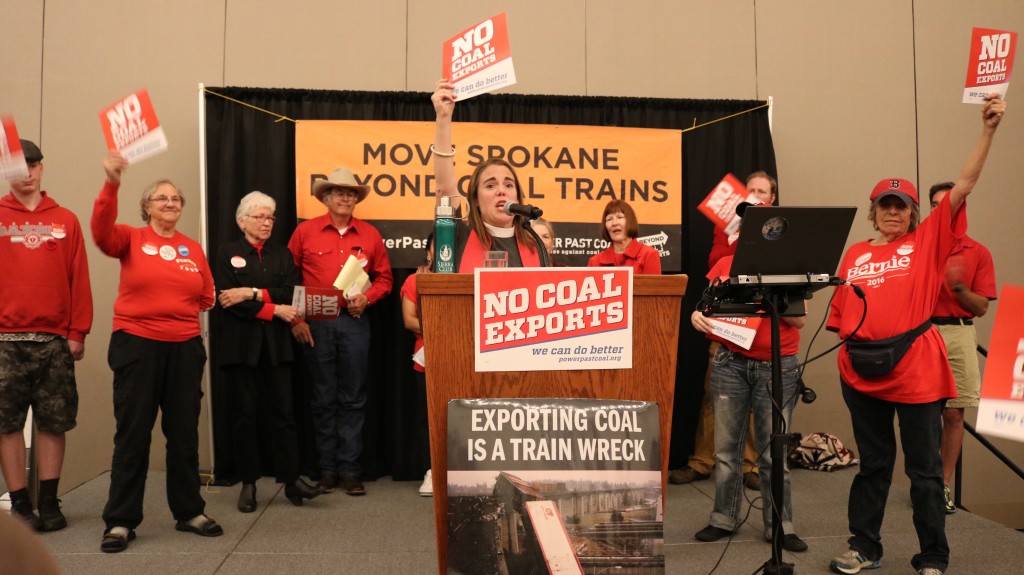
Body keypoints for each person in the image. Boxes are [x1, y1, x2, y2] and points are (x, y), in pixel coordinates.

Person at [827, 95, 1005, 575]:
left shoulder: (927, 243)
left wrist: (987, 130)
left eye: (900, 205)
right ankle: (865, 547)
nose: (892, 212)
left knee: (924, 471)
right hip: (861, 372)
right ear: (873, 211)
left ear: (912, 212)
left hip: (916, 371)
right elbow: (841, 317)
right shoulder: (855, 255)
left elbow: (964, 184)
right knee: (873, 466)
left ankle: (932, 556)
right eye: (884, 205)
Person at [92, 152, 222, 553]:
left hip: (184, 348)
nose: (170, 204)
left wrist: (176, 313)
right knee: (133, 434)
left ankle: (188, 512)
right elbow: (99, 231)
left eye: (176, 199)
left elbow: (207, 295)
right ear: (146, 206)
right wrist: (112, 182)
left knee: (183, 435)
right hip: (137, 345)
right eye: (161, 198)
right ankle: (120, 521)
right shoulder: (131, 238)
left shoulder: (192, 248)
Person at [0, 139, 92, 532]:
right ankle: (21, 504)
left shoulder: (66, 219)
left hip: (55, 340)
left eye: (32, 165)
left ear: (41, 168)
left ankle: (50, 502)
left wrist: (78, 331)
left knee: (54, 422)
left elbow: (79, 277)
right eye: (17, 168)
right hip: (4, 339)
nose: (26, 174)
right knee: (6, 424)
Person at [691, 254, 808, 553]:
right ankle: (723, 519)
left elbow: (800, 320)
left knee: (773, 452)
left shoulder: (787, 267)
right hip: (730, 361)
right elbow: (705, 309)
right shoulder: (725, 264)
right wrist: (697, 316)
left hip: (777, 365)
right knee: (727, 450)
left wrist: (767, 292)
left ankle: (781, 524)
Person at [213, 192, 320, 512]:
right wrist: (274, 310)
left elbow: (292, 291)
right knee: (245, 416)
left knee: (284, 415)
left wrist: (253, 291)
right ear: (242, 220)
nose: (266, 223)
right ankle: (248, 483)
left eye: (270, 218)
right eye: (260, 217)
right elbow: (228, 301)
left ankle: (291, 481)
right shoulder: (226, 252)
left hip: (276, 347)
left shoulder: (282, 255)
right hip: (240, 346)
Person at [288, 167, 393, 496]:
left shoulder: (370, 235)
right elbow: (287, 280)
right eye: (338, 192)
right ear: (325, 198)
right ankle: (327, 470)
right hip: (316, 321)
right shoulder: (305, 232)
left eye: (351, 193)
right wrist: (296, 320)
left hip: (354, 322)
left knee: (352, 397)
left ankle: (350, 470)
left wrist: (368, 297)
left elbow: (385, 279)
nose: (346, 197)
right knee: (323, 398)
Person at [671, 172, 777, 490]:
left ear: (772, 199)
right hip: (726, 327)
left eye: (763, 192)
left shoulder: (779, 229)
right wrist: (735, 239)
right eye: (752, 190)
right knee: (712, 397)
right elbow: (716, 266)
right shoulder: (726, 225)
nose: (756, 195)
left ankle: (750, 466)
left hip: (762, 333)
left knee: (758, 403)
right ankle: (703, 461)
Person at [927, 182, 997, 514]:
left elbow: (981, 306)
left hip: (958, 331)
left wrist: (958, 287)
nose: (944, 209)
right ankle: (922, 481)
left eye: (950, 203)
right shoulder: (919, 245)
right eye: (935, 205)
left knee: (954, 413)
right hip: (921, 332)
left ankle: (942, 484)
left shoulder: (978, 252)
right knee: (920, 415)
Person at [431, 79, 542, 270]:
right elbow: (444, 189)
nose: (501, 191)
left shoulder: (535, 246)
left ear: (517, 196)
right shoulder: (459, 235)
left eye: (508, 185)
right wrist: (443, 118)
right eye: (490, 185)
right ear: (474, 200)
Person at [400, 234, 433, 496]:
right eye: (437, 248)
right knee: (427, 417)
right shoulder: (415, 280)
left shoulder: (469, 274)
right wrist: (444, 333)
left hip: (465, 355)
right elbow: (410, 321)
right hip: (427, 355)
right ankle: (430, 471)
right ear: (429, 253)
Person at [587, 199, 662, 273]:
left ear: (630, 221)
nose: (614, 223)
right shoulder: (594, 262)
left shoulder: (649, 255)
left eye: (620, 217)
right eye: (609, 219)